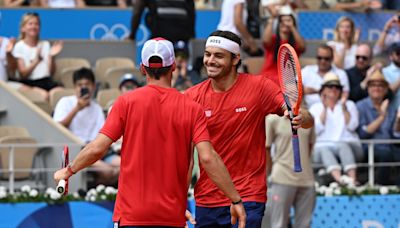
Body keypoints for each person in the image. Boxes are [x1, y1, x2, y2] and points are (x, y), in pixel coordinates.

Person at [54, 37, 246, 227]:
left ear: (142, 68)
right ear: (173, 67)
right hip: (172, 217)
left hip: (131, 216)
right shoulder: (192, 108)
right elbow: (207, 158)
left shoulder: (125, 103)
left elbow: (98, 148)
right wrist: (235, 199)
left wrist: (68, 171)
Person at [185, 30, 314, 227]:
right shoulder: (191, 97)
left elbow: (302, 116)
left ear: (236, 59)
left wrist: (300, 116)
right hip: (207, 199)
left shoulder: (259, 86)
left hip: (249, 196)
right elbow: (185, 157)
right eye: (208, 54)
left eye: (218, 56)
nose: (210, 61)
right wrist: (180, 199)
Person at [263, 113, 316, 228]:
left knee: (304, 225)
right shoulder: (272, 118)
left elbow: (310, 145)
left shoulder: (308, 118)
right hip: (281, 177)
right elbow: (266, 148)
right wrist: (270, 173)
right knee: (279, 224)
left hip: (306, 179)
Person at [309, 73, 362, 185]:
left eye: (337, 87)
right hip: (322, 149)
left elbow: (352, 126)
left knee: (342, 144)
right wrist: (325, 108)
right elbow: (315, 130)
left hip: (349, 145)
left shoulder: (349, 105)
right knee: (324, 149)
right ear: (323, 90)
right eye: (330, 86)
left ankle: (352, 180)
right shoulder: (315, 108)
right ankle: (341, 181)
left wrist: (344, 108)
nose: (333, 89)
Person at [356, 70, 400, 185]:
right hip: (368, 147)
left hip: (388, 146)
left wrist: (398, 122)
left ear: (386, 90)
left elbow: (394, 136)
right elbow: (363, 134)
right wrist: (382, 117)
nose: (377, 88)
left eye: (381, 85)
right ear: (368, 88)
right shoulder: (360, 106)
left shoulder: (390, 107)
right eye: (373, 85)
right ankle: (379, 187)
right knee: (386, 154)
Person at [12, 12, 64, 101]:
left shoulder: (45, 44)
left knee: (60, 93)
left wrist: (52, 57)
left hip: (47, 81)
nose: (34, 27)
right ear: (23, 28)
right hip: (30, 83)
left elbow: (51, 72)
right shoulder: (19, 46)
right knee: (44, 95)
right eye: (30, 24)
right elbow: (23, 74)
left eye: (36, 24)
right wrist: (36, 61)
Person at [261, 5, 305, 85]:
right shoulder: (273, 39)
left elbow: (302, 47)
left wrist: (292, 27)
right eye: (282, 21)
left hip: (287, 83)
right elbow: (266, 41)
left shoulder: (295, 42)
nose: (285, 23)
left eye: (288, 20)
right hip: (268, 79)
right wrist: (271, 19)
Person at [128, 0, 195, 44]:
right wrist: (191, 37)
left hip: (160, 36)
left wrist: (132, 36)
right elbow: (191, 14)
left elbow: (137, 13)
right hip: (183, 37)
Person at [382, 42, 400, 109]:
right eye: (398, 53)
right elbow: (386, 94)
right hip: (393, 114)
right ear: (391, 56)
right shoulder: (385, 72)